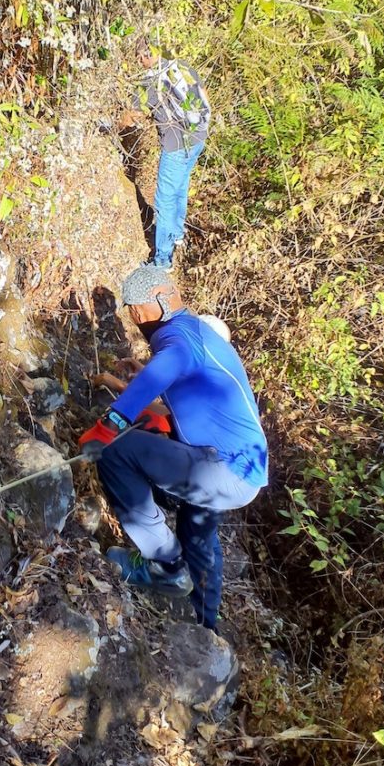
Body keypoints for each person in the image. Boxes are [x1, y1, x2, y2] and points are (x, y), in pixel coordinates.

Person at [79, 264, 268, 630]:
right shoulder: (196, 329)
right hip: (245, 472)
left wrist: (108, 427)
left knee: (118, 451)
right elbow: (179, 392)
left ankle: (166, 567)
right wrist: (138, 385)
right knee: (196, 533)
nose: (133, 318)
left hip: (223, 469)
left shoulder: (176, 339)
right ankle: (204, 625)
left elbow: (166, 368)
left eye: (133, 311)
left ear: (139, 310)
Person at [122, 37, 211, 269]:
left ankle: (162, 260)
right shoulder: (181, 66)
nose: (139, 63)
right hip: (198, 137)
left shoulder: (150, 83)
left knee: (163, 200)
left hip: (175, 145)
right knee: (180, 187)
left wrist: (113, 127)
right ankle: (177, 232)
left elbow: (132, 117)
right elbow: (203, 94)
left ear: (145, 56)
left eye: (139, 59)